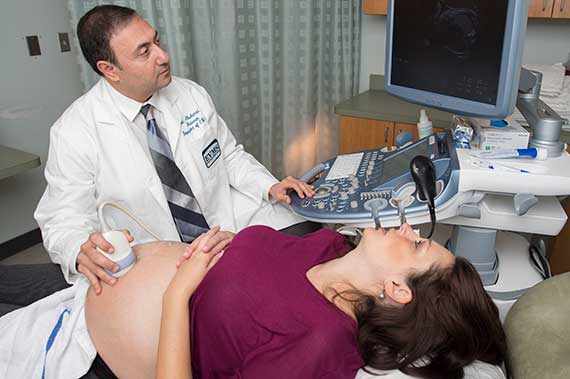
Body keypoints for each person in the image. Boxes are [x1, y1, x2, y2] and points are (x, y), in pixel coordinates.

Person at [32, 4, 315, 296]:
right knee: (240, 298)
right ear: (109, 70)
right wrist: (79, 248)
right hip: (160, 257)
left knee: (308, 238)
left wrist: (270, 186)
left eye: (157, 41)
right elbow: (63, 218)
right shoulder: (74, 131)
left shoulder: (189, 94)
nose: (163, 56)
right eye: (144, 51)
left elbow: (228, 155)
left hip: (226, 221)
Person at [85, 224, 508, 379]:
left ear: (398, 289)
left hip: (91, 358)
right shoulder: (330, 244)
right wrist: (233, 252)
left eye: (416, 246)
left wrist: (177, 293)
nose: (408, 228)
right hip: (93, 285)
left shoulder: (317, 344)